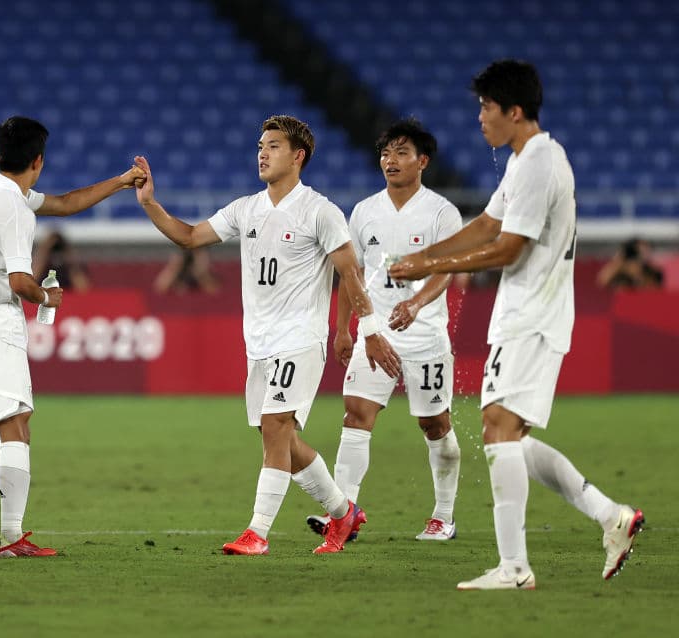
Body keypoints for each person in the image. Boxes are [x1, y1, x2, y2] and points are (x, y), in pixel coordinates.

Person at [391, 60, 644, 589]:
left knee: (497, 428)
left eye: (487, 107)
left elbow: (508, 248)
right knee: (509, 435)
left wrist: (431, 265)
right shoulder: (524, 161)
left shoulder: (539, 164)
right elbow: (488, 223)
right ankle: (610, 516)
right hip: (525, 314)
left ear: (514, 110)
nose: (480, 117)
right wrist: (427, 256)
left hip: (533, 315)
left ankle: (514, 567)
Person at [134, 115, 401, 555]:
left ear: (298, 156)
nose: (262, 153)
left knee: (277, 426)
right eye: (260, 146)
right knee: (282, 440)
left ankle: (257, 532)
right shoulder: (247, 209)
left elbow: (350, 271)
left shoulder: (320, 211)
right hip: (258, 343)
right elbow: (190, 237)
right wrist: (149, 204)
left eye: (273, 146)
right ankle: (343, 512)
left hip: (301, 338)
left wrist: (365, 330)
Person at [0, 116, 146, 556]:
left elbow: (65, 203)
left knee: (1, 423)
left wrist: (121, 181)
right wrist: (47, 296)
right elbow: (19, 282)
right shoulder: (15, 210)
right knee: (17, 426)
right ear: (38, 161)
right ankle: (12, 536)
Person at [306, 119, 462, 543]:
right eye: (385, 153)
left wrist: (417, 303)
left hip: (425, 335)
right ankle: (343, 514)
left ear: (422, 161)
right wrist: (343, 329)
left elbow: (447, 270)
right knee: (356, 414)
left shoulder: (441, 212)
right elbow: (350, 273)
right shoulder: (364, 211)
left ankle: (443, 515)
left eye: (401, 152)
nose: (390, 160)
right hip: (375, 333)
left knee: (434, 424)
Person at [596, 237, 663, 289]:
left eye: (647, 250)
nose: (645, 254)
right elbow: (602, 282)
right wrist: (620, 261)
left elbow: (655, 290)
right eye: (639, 252)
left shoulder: (652, 272)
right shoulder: (619, 271)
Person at [153, 247, 220, 294]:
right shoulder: (178, 267)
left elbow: (214, 291)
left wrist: (201, 271)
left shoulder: (208, 269)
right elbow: (160, 288)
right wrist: (175, 266)